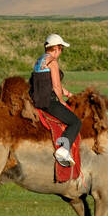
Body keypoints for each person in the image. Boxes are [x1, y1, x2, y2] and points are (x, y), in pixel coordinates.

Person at [30, 33, 79, 167]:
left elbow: (48, 83)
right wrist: (62, 101)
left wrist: (68, 93)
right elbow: (56, 86)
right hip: (48, 102)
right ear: (56, 48)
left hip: (36, 100)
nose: (61, 52)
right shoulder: (53, 61)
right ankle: (63, 151)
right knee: (75, 122)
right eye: (61, 49)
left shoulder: (40, 60)